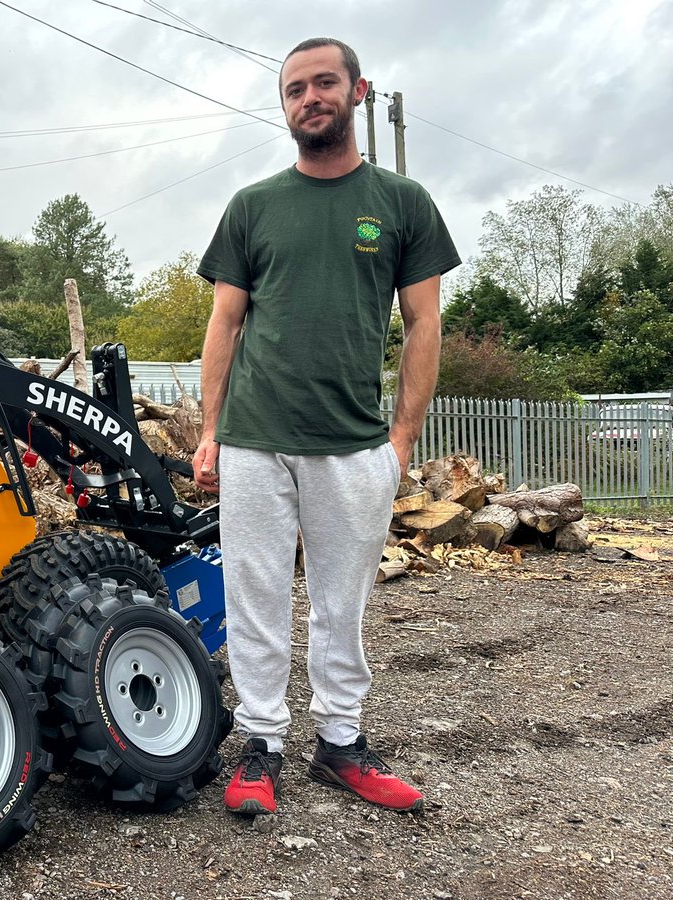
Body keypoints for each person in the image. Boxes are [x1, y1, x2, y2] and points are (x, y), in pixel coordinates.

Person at [193, 37, 461, 816]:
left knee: (341, 606)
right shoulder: (253, 205)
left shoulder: (402, 204)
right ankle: (261, 748)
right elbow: (224, 323)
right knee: (255, 597)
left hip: (353, 444)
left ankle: (341, 744)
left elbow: (423, 323)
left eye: (323, 83)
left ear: (357, 91)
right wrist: (210, 431)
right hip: (253, 440)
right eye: (293, 90)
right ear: (284, 108)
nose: (309, 98)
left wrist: (401, 441)